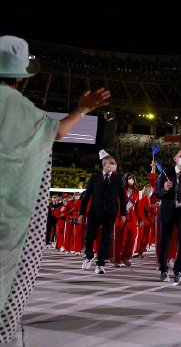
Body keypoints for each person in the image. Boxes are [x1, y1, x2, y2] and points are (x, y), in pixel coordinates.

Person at [0, 35, 111, 343]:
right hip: (12, 218)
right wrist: (82, 109)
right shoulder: (23, 110)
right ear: (21, 76)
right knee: (12, 279)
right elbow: (58, 132)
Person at [78, 151, 127, 275]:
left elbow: (122, 197)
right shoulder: (94, 178)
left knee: (106, 239)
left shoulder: (117, 179)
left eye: (115, 163)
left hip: (110, 213)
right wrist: (82, 213)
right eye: (112, 163)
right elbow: (86, 196)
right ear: (105, 164)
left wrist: (123, 213)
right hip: (95, 212)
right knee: (89, 236)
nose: (114, 165)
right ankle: (89, 255)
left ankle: (100, 264)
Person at [155, 149, 181, 286]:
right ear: (175, 159)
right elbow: (157, 193)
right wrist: (165, 189)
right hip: (168, 212)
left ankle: (179, 272)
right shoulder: (166, 173)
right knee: (165, 243)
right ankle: (164, 270)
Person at [113, 172, 140, 267]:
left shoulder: (136, 192)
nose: (131, 180)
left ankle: (126, 257)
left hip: (132, 216)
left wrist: (139, 219)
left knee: (132, 237)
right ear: (125, 179)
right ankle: (116, 259)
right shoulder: (120, 190)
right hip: (120, 215)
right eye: (129, 178)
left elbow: (137, 206)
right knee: (119, 237)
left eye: (132, 178)